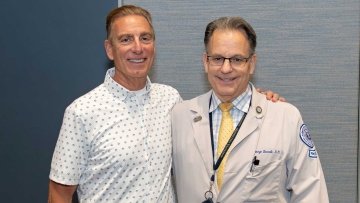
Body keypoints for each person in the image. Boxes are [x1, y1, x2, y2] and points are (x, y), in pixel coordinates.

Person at [48, 5, 283, 203]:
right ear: (110, 49)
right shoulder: (82, 112)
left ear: (154, 45)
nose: (137, 47)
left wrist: (257, 98)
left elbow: (218, 119)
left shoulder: (171, 101)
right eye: (126, 39)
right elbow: (59, 193)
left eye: (145, 38)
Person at [171, 16, 329, 202]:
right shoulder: (178, 117)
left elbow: (311, 193)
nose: (226, 68)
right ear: (205, 61)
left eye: (237, 59)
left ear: (252, 63)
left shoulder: (286, 118)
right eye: (218, 58)